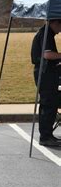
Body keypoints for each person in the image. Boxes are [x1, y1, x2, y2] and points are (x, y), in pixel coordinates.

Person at [31, 18, 61, 147]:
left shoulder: (45, 32)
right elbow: (47, 55)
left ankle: (47, 135)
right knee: (48, 105)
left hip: (45, 73)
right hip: (45, 74)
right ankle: (45, 136)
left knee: (48, 105)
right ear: (55, 23)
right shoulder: (46, 33)